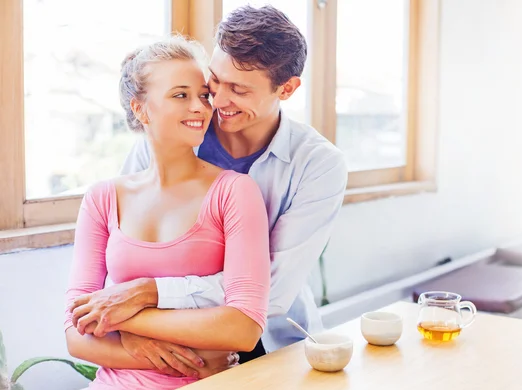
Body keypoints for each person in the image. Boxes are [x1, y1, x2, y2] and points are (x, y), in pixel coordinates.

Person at [70, 5, 348, 369]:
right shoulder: (171, 134)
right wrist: (124, 320)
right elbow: (122, 251)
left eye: (239, 90)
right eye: (214, 81)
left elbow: (270, 295)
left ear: (288, 88)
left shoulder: (317, 164)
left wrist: (144, 299)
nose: (216, 101)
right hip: (166, 343)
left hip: (272, 344)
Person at [64, 36, 271, 390]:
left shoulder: (235, 192)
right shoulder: (102, 198)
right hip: (113, 388)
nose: (201, 108)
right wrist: (145, 348)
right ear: (141, 109)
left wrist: (123, 317)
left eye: (204, 95)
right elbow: (75, 332)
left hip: (207, 389)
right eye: (180, 95)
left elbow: (243, 329)